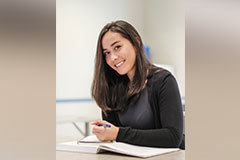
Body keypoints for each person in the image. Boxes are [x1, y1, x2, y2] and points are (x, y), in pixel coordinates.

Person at [91, 20, 185, 149]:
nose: (112, 58)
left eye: (117, 47)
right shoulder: (111, 87)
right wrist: (105, 133)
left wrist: (118, 133)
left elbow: (173, 137)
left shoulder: (164, 80)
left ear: (136, 43)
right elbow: (113, 138)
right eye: (107, 53)